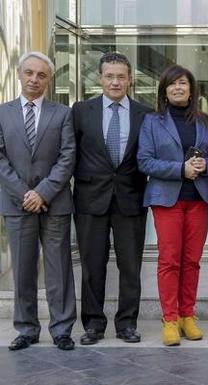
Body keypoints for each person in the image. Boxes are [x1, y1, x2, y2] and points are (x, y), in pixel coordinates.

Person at [72, 52, 152, 345]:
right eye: (109, 76)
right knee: (92, 265)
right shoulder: (81, 111)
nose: (115, 82)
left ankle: (127, 323)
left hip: (131, 199)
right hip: (90, 199)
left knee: (130, 266)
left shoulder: (145, 113)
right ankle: (93, 324)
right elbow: (71, 154)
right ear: (100, 78)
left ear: (130, 79)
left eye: (121, 76)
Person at [137, 64, 208, 346]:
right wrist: (179, 169)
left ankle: (187, 315)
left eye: (183, 83)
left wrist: (204, 165)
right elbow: (144, 161)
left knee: (192, 261)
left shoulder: (207, 122)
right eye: (172, 84)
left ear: (191, 89)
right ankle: (169, 319)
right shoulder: (152, 122)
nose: (178, 88)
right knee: (169, 260)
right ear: (164, 90)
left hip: (198, 199)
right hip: (167, 200)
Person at [0, 52, 76, 351]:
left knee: (59, 269)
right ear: (19, 75)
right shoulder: (2, 113)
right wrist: (24, 194)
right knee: (22, 268)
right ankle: (27, 328)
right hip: (16, 204)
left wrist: (42, 192)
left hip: (54, 203)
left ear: (49, 79)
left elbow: (68, 157)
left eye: (41, 75)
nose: (34, 79)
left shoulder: (62, 114)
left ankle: (61, 328)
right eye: (29, 73)